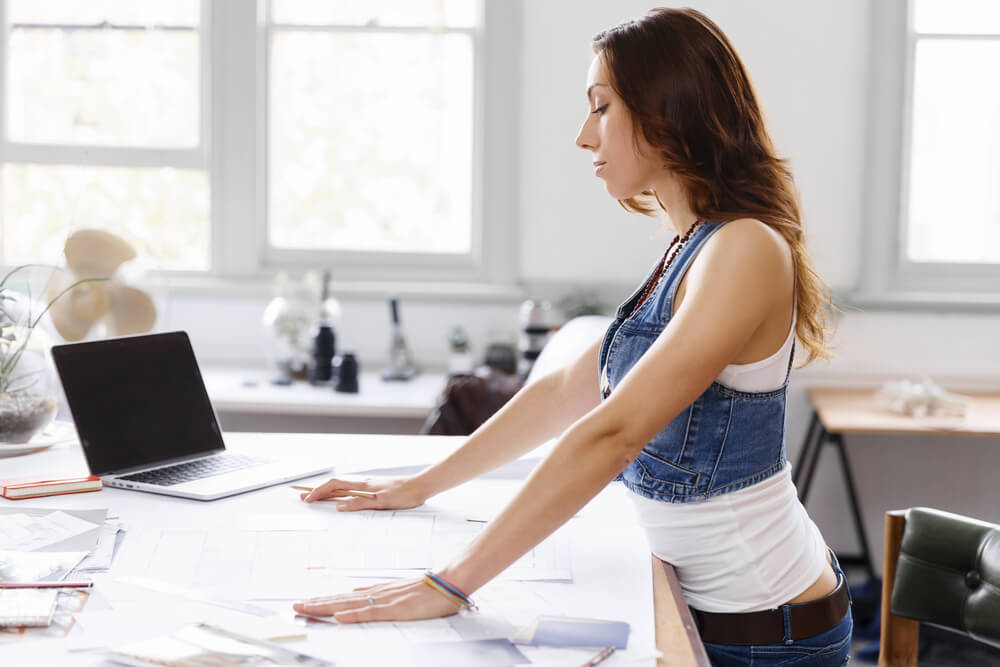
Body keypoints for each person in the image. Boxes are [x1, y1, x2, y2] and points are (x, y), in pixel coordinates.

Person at [293, 8, 852, 666]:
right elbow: (566, 389)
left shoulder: (746, 249)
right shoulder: (689, 247)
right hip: (708, 610)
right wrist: (421, 483)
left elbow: (612, 432)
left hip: (767, 630)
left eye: (602, 106)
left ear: (667, 108)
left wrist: (450, 582)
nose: (584, 136)